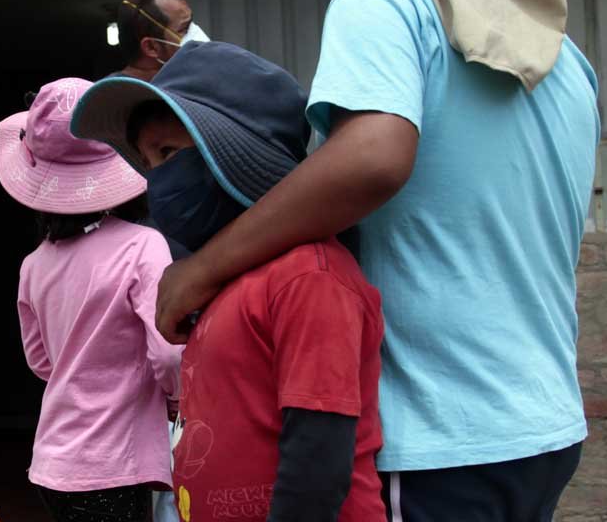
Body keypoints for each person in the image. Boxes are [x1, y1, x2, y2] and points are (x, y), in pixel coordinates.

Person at [151, 0, 600, 521]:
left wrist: (200, 270)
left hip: (437, 438)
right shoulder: (565, 60)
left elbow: (370, 159)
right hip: (543, 429)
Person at [72, 41, 385, 522]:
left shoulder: (309, 276)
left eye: (168, 152)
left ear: (236, 153)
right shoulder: (215, 284)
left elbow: (317, 464)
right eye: (148, 163)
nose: (157, 182)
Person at [0, 77, 182, 522]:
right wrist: (177, 398)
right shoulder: (143, 246)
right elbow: (169, 354)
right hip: (114, 465)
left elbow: (41, 361)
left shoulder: (33, 264)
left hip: (52, 462)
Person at [113, 0, 209, 81]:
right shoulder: (117, 90)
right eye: (184, 29)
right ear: (151, 47)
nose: (195, 32)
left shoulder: (186, 81)